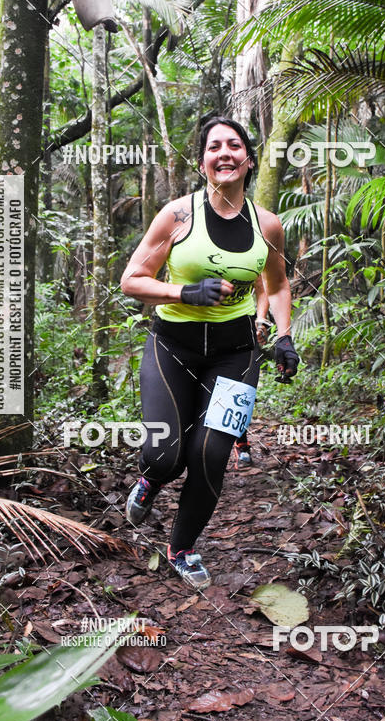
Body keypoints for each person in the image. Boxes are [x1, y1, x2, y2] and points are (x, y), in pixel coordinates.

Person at [119, 117, 299, 589]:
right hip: (172, 346)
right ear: (202, 163)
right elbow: (131, 280)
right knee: (165, 454)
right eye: (214, 146)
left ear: (248, 159)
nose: (225, 153)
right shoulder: (177, 215)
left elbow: (278, 286)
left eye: (234, 145)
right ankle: (151, 480)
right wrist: (185, 294)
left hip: (236, 352)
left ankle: (182, 547)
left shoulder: (268, 225)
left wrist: (283, 335)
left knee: (210, 454)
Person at [232, 277, 271, 470]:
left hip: (241, 328)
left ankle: (241, 443)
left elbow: (262, 287)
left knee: (241, 389)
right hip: (196, 329)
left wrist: (261, 320)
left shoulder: (249, 250)